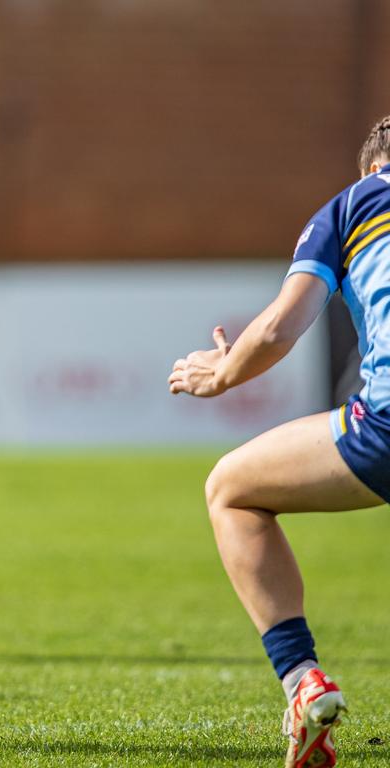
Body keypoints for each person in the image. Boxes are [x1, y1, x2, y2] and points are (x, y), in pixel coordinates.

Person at [168, 116, 390, 768]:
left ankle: (302, 682)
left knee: (231, 490)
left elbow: (277, 330)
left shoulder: (353, 206)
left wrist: (221, 373)